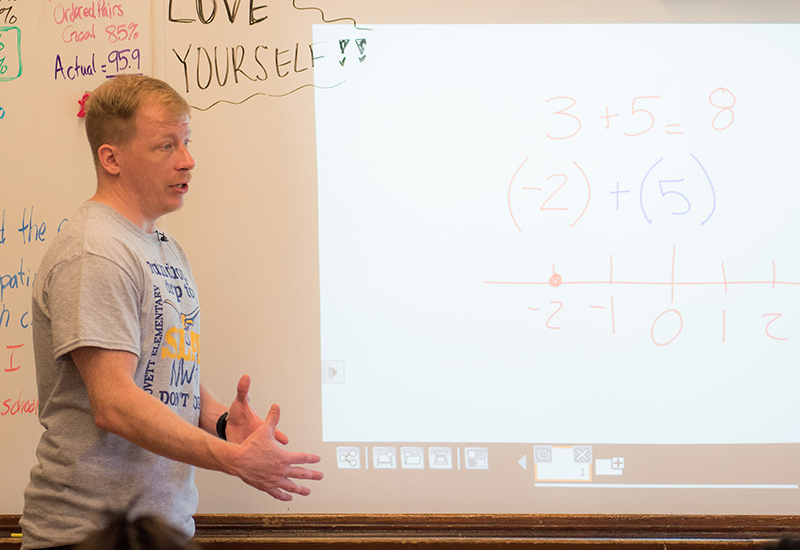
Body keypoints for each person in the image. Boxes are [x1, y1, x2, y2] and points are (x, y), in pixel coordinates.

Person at [20, 74, 323, 550]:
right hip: (90, 536)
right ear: (111, 159)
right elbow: (115, 402)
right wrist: (230, 458)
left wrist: (222, 423)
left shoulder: (163, 247)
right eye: (166, 145)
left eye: (186, 142)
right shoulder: (95, 251)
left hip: (161, 529)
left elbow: (160, 373)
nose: (187, 160)